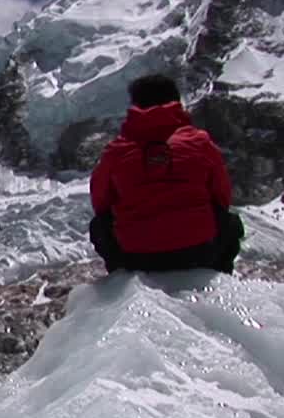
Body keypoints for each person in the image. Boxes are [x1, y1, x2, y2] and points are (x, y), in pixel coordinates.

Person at [89, 74, 243, 274]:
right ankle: (219, 273)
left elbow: (101, 202)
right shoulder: (199, 142)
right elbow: (222, 195)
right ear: (176, 102)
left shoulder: (117, 150)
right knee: (229, 222)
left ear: (135, 105)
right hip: (201, 251)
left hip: (137, 257)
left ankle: (122, 276)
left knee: (99, 225)